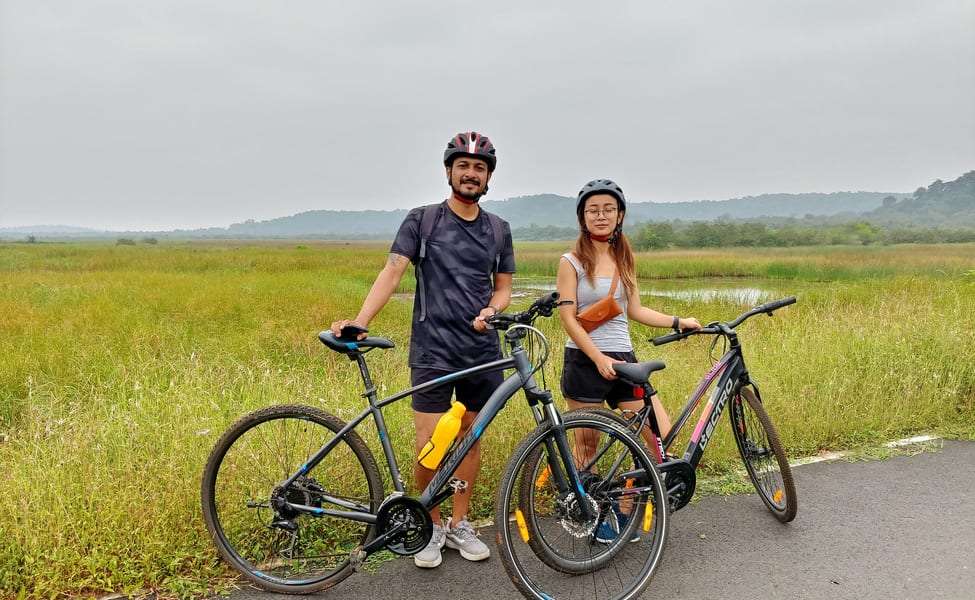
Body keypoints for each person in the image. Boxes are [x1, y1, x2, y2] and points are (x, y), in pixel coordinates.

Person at [330, 131, 514, 568]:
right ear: (450, 170)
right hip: (433, 350)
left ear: (488, 178)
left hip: (482, 349)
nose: (472, 174)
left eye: (480, 168)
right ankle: (428, 525)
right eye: (464, 166)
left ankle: (459, 523)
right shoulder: (423, 220)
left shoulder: (499, 230)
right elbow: (393, 269)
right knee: (432, 443)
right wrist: (362, 320)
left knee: (469, 440)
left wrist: (492, 308)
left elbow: (504, 288)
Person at [555, 178, 701, 542]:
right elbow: (568, 318)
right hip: (584, 360)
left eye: (608, 209)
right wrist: (597, 356)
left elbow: (634, 310)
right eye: (593, 210)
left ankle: (623, 511)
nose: (600, 215)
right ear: (582, 217)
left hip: (624, 358)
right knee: (586, 443)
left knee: (654, 433)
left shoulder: (624, 258)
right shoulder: (570, 262)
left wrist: (678, 322)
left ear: (619, 215)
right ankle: (586, 511)